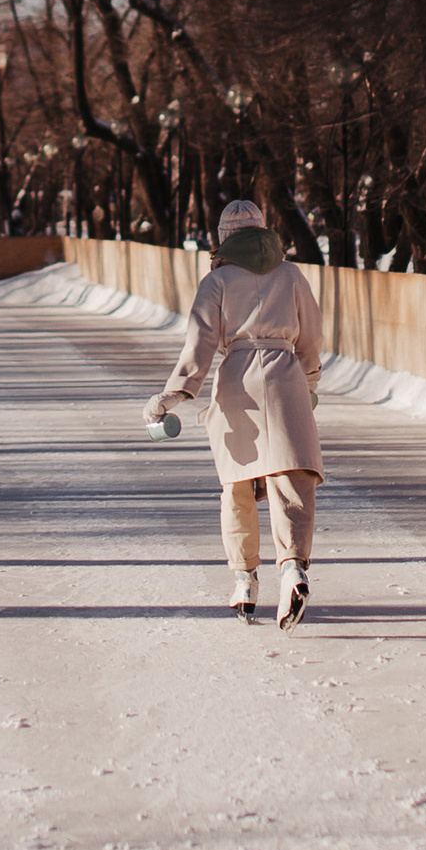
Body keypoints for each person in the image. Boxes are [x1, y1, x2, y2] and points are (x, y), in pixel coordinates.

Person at [147, 199, 324, 630]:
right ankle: (293, 569)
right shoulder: (291, 275)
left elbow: (199, 345)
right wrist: (310, 385)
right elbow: (312, 338)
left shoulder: (217, 281)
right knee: (291, 481)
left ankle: (245, 581)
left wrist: (173, 396)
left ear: (224, 237)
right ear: (265, 231)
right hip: (286, 379)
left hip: (237, 384)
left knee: (238, 488)